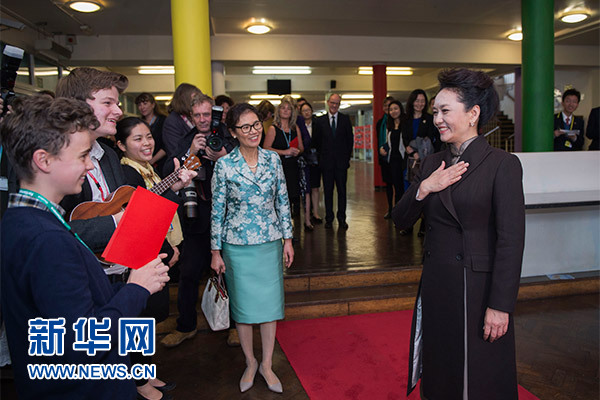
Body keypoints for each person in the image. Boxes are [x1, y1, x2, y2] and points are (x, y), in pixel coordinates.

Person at [1, 94, 170, 399]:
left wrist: (129, 284)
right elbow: (85, 341)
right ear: (43, 160)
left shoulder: (22, 219)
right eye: (82, 156)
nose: (89, 166)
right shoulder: (46, 240)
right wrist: (137, 288)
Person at [393, 68, 525, 400]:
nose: (437, 119)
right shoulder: (431, 163)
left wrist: (500, 305)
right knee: (442, 371)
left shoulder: (502, 164)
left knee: (478, 376)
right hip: (438, 284)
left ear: (473, 114)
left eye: (445, 111)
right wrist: (425, 187)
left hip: (477, 290)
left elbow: (511, 241)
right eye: (435, 111)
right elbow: (400, 220)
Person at [211, 103, 293, 394]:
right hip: (237, 246)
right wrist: (215, 251)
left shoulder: (273, 160)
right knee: (243, 309)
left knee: (270, 308)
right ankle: (250, 361)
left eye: (256, 124)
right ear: (233, 132)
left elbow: (282, 200)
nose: (253, 131)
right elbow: (217, 210)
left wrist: (288, 239)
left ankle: (267, 364)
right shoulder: (224, 165)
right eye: (245, 127)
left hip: (269, 242)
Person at [116, 116, 196, 400]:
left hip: (155, 249)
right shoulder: (128, 173)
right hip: (145, 254)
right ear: (121, 145)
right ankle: (140, 383)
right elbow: (144, 214)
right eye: (137, 139)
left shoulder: (147, 169)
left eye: (149, 136)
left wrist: (175, 185)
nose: (147, 143)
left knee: (148, 318)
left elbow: (156, 202)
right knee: (139, 319)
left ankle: (145, 373)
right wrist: (168, 249)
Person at [160, 93, 237, 348]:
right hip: (196, 217)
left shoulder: (229, 137)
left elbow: (246, 168)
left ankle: (236, 326)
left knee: (231, 274)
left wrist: (223, 157)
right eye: (198, 115)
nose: (203, 119)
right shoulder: (186, 140)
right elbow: (168, 175)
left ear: (216, 115)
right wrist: (191, 153)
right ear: (191, 117)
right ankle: (186, 325)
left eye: (207, 114)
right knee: (189, 272)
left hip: (228, 217)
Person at [400, 89, 440, 236]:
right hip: (410, 162)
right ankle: (408, 224)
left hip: (426, 161)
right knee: (409, 194)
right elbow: (406, 140)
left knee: (425, 192)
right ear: (412, 102)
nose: (420, 104)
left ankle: (424, 225)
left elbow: (430, 139)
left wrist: (418, 151)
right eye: (417, 101)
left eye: (422, 101)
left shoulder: (430, 119)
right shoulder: (405, 120)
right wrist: (412, 152)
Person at [313, 93, 354, 230]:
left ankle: (342, 218)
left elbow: (349, 141)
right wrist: (321, 159)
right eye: (332, 103)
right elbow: (317, 142)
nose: (334, 105)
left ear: (339, 104)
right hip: (326, 164)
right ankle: (329, 218)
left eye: (337, 103)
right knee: (328, 191)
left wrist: (346, 158)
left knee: (342, 191)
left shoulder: (345, 119)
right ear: (328, 102)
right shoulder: (320, 121)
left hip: (341, 164)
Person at [263, 95, 304, 218]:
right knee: (280, 200)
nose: (286, 110)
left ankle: (290, 227)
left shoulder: (295, 128)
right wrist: (285, 152)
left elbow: (301, 147)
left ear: (292, 112)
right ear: (278, 111)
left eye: (288, 109)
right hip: (279, 168)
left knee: (292, 198)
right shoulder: (273, 128)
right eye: (283, 108)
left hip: (293, 168)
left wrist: (297, 151)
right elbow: (266, 149)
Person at [378, 100, 406, 218]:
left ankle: (404, 213)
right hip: (393, 161)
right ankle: (397, 213)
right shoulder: (389, 125)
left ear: (400, 109)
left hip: (404, 160)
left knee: (404, 188)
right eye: (391, 109)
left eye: (396, 108)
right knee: (397, 188)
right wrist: (382, 148)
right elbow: (389, 143)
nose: (393, 111)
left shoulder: (406, 124)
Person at [161, 83, 202, 161]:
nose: (197, 101)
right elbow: (174, 151)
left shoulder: (192, 118)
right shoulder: (172, 121)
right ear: (184, 99)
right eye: (194, 98)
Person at [299, 101, 323, 226]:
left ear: (312, 111)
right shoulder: (298, 126)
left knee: (315, 187)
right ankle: (306, 214)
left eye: (308, 110)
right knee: (305, 189)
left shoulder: (318, 124)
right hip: (303, 160)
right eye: (304, 111)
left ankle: (316, 213)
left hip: (315, 160)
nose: (307, 112)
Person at [135, 92, 168, 177]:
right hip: (144, 164)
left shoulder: (164, 121)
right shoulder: (139, 123)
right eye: (139, 105)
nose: (142, 107)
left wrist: (152, 160)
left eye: (145, 103)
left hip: (161, 163)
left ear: (153, 105)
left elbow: (166, 145)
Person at [376, 96, 395, 196]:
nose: (387, 108)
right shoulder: (380, 123)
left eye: (390, 105)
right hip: (384, 157)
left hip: (396, 157)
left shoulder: (398, 121)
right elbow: (378, 139)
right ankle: (390, 205)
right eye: (385, 106)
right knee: (388, 184)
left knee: (398, 184)